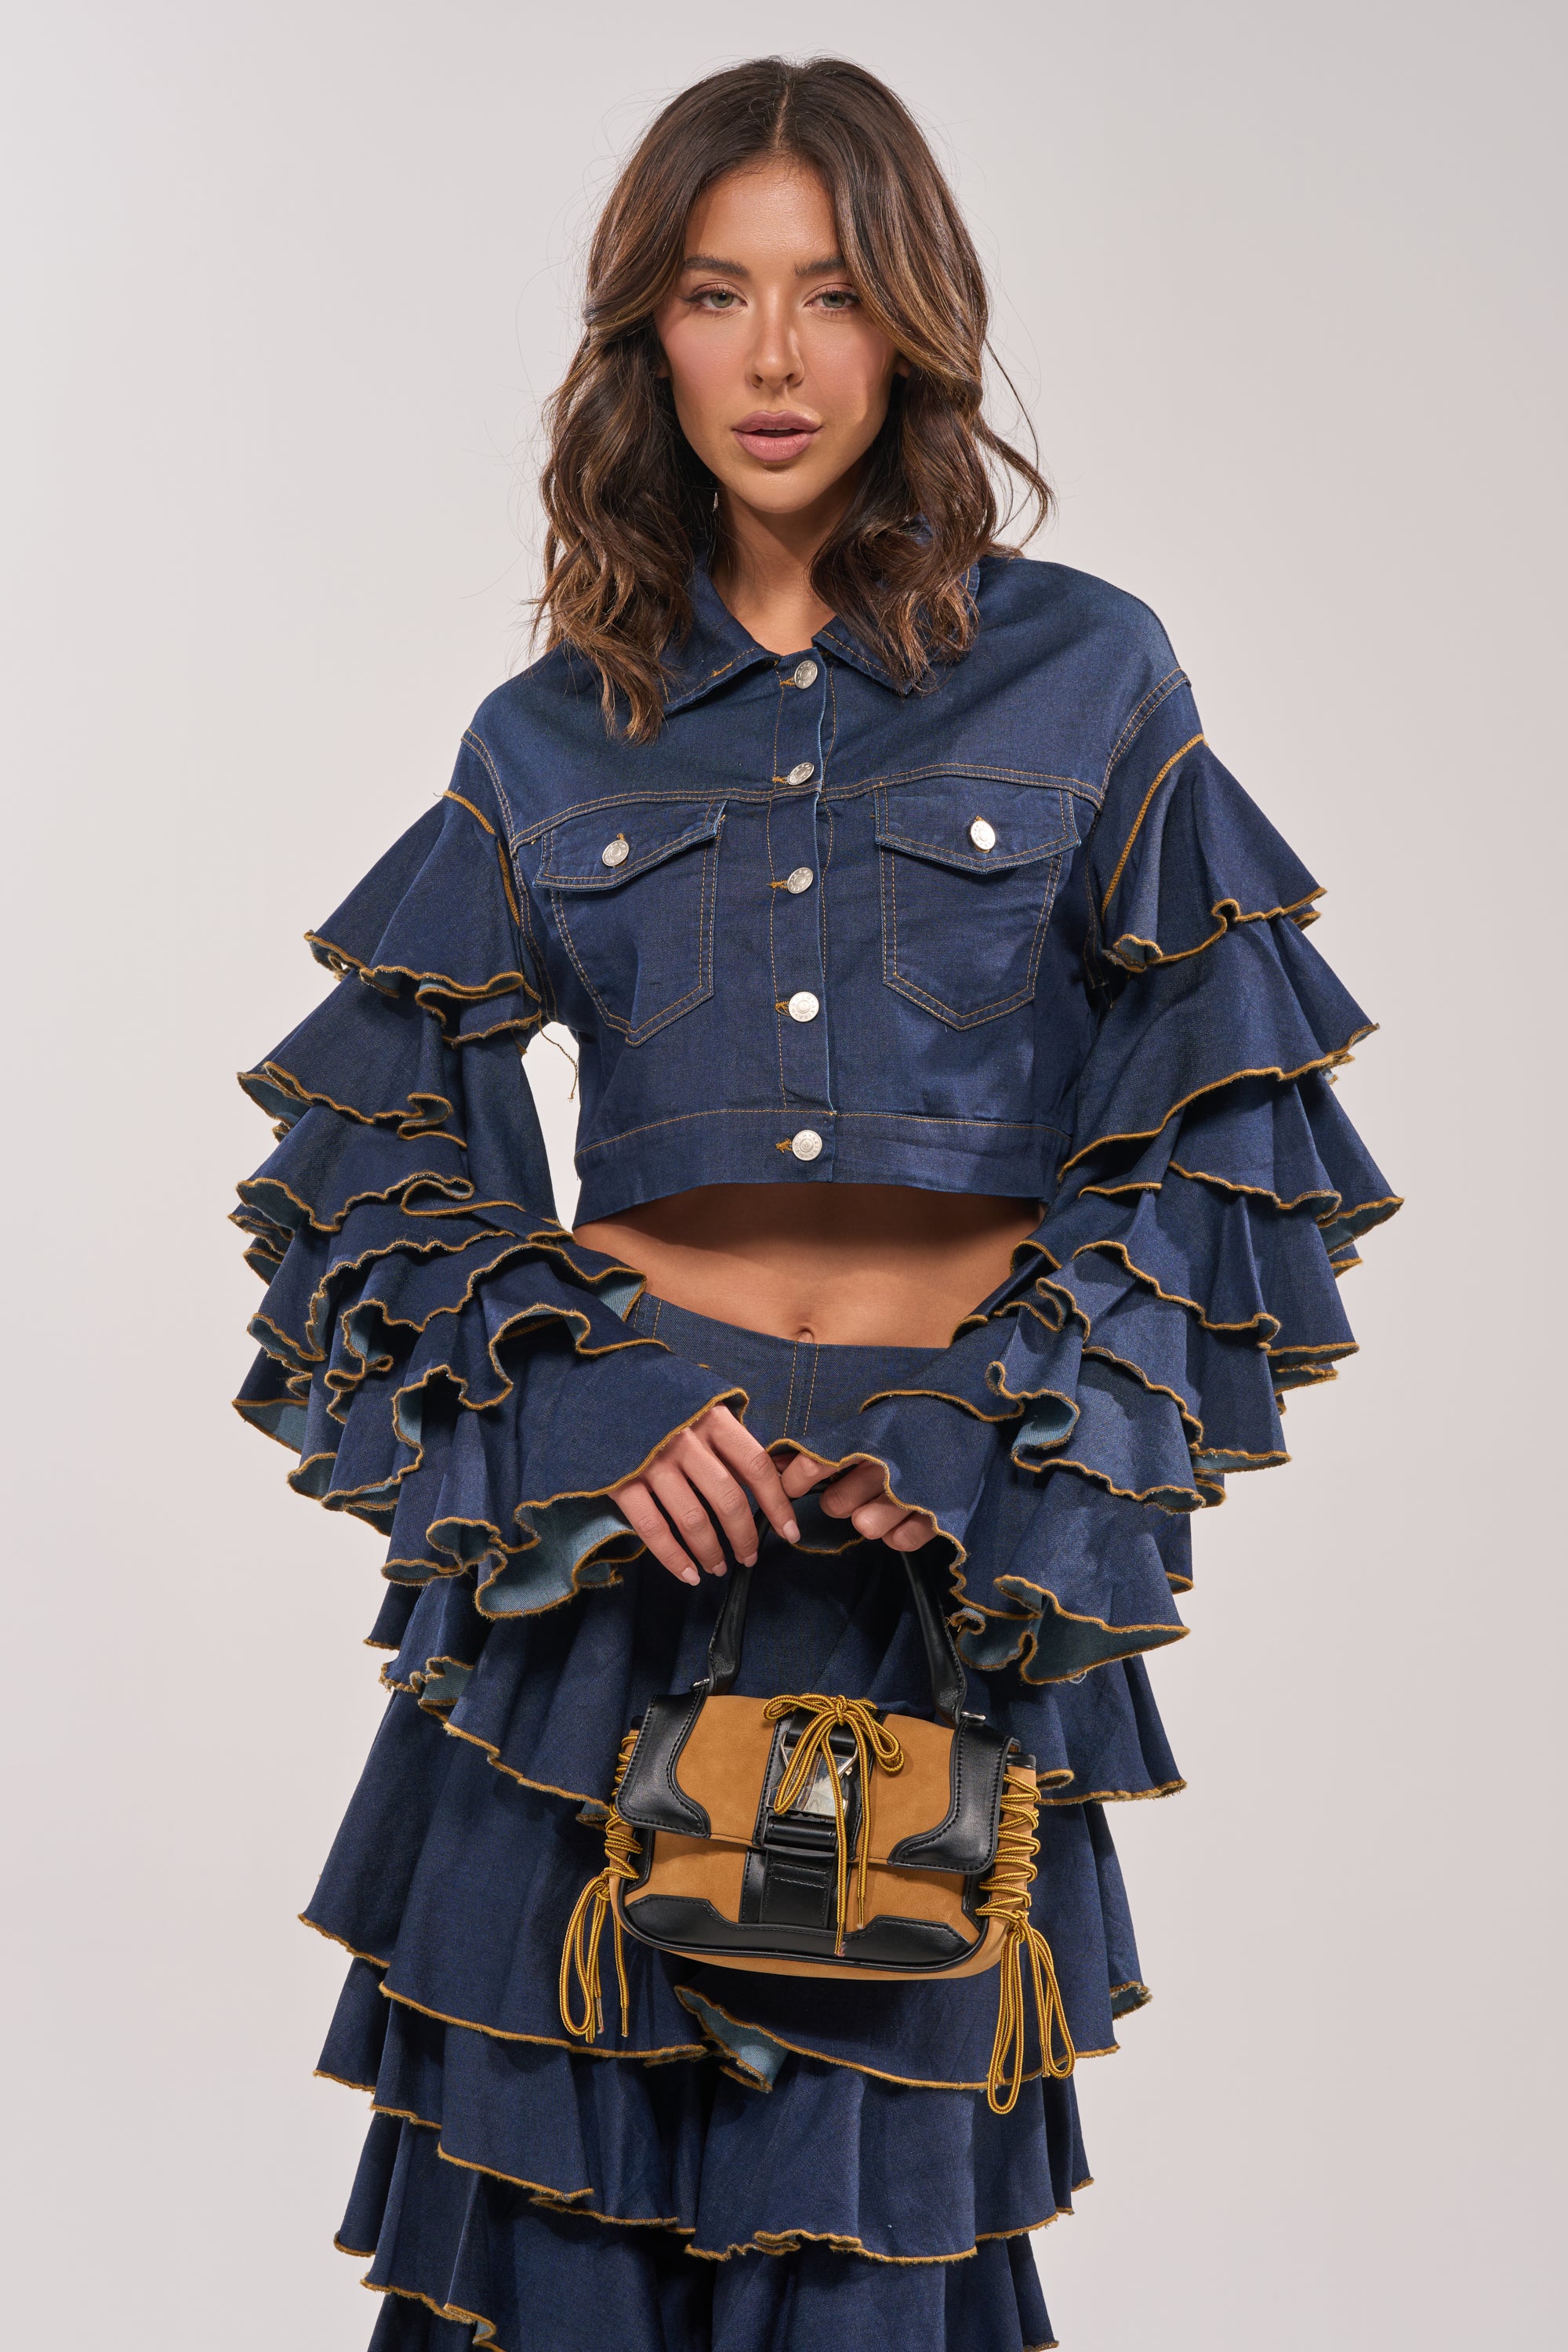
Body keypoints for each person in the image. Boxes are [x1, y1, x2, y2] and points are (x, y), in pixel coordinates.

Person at [234, 55, 1399, 2352]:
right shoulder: (542, 731)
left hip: (915, 1565)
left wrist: (993, 1432)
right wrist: (587, 1412)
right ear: (643, 339)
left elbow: (1233, 1127)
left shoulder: (1092, 674)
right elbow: (355, 1163)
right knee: (539, 2245)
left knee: (870, 2261)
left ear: (915, 327)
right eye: (714, 293)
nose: (774, 360)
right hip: (604, 1558)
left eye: (833, 295)